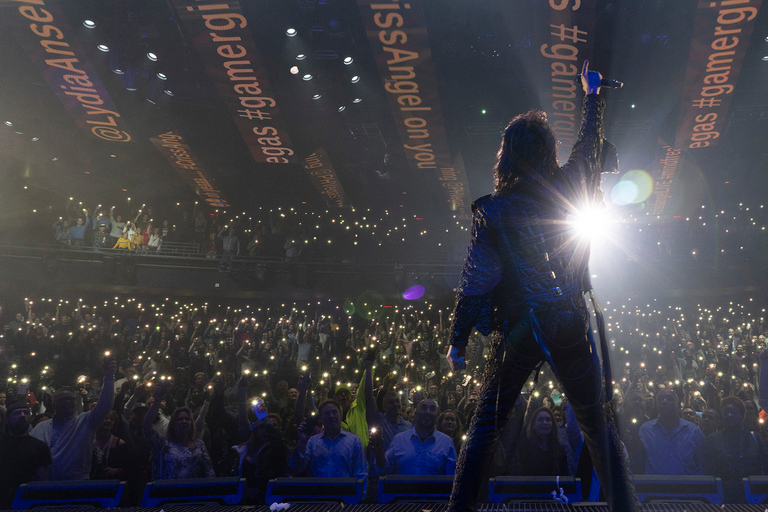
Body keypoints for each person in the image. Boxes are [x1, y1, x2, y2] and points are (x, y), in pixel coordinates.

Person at [445, 61, 637, 512]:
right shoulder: (569, 183)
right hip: (567, 320)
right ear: (549, 152)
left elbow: (475, 281)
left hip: (519, 329)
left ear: (508, 155)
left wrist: (457, 340)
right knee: (597, 426)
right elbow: (589, 146)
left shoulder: (493, 210)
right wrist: (591, 94)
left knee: (487, 428)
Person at [30, 358, 116, 480]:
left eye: (71, 399)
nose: (69, 402)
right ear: (54, 405)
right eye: (64, 400)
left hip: (77, 483)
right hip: (47, 484)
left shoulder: (84, 422)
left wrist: (108, 378)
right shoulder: (41, 427)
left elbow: (105, 405)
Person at [143, 382, 215, 479]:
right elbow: (147, 427)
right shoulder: (163, 444)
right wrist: (157, 402)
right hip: (167, 491)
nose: (184, 421)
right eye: (180, 419)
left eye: (187, 419)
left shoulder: (199, 445)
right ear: (173, 423)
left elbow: (208, 471)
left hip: (194, 492)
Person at [703, 396, 768, 502]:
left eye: (734, 412)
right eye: (726, 412)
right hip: (722, 498)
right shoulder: (713, 439)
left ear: (742, 415)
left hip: (754, 498)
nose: (729, 415)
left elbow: (764, 466)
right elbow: (708, 470)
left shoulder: (755, 438)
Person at [372, 398, 457, 476]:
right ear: (415, 413)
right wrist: (379, 452)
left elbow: (452, 479)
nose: (427, 412)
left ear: (437, 415)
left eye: (432, 409)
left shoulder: (446, 442)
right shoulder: (399, 439)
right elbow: (385, 470)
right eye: (423, 408)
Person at [290, 400, 367, 481]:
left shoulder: (354, 441)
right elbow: (297, 467)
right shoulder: (312, 441)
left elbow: (361, 473)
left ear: (341, 416)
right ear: (320, 419)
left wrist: (359, 493)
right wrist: (302, 442)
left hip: (344, 492)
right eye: (327, 413)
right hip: (318, 492)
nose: (331, 416)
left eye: (334, 412)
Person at [637, 389, 704, 475]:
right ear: (656, 405)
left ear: (678, 405)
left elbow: (701, 464)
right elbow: (640, 462)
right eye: (660, 399)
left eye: (669, 399)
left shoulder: (693, 431)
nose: (664, 401)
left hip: (686, 486)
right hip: (654, 486)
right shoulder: (646, 430)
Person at [0, 402, 51, 508]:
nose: (23, 415)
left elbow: (41, 481)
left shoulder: (39, 447)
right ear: (7, 419)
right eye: (17, 413)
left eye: (26, 413)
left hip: (25, 502)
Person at [516, 407, 569, 476]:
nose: (545, 423)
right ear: (533, 425)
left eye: (548, 420)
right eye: (540, 420)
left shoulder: (559, 449)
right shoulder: (525, 447)